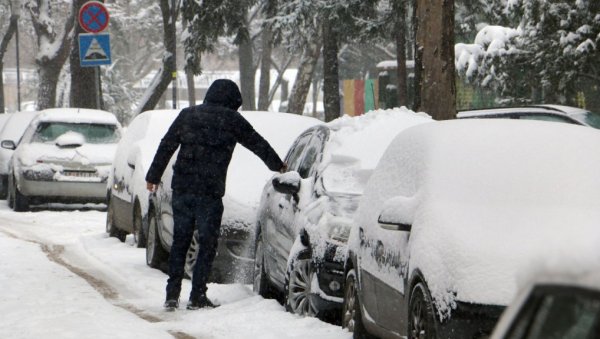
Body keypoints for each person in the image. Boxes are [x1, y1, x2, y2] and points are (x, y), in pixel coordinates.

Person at [145, 79, 286, 311]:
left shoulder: (188, 115)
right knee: (207, 244)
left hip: (183, 188)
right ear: (232, 101)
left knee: (180, 241)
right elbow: (256, 143)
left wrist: (153, 175)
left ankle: (172, 295)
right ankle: (197, 295)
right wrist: (278, 165)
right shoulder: (231, 119)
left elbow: (167, 144)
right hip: (209, 192)